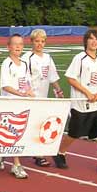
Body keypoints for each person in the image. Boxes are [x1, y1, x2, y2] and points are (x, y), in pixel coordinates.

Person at [52, 29, 97, 175]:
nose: (94, 42)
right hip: (81, 104)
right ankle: (59, 152)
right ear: (86, 41)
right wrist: (87, 92)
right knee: (75, 134)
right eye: (91, 39)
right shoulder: (80, 58)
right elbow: (70, 78)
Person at [21, 29, 63, 167]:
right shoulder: (27, 58)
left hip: (43, 98)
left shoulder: (48, 58)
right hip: (30, 98)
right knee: (26, 125)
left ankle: (38, 154)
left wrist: (58, 89)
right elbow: (22, 77)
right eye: (37, 41)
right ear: (32, 41)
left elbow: (52, 77)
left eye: (42, 41)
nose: (40, 44)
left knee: (40, 125)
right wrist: (27, 91)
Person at [0, 34, 34, 179]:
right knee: (13, 134)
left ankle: (1, 153)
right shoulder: (7, 63)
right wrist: (20, 94)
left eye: (20, 44)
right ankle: (16, 164)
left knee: (19, 133)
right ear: (9, 47)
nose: (18, 47)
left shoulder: (24, 64)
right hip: (10, 104)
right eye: (15, 44)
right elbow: (5, 85)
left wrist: (30, 93)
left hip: (22, 104)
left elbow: (27, 83)